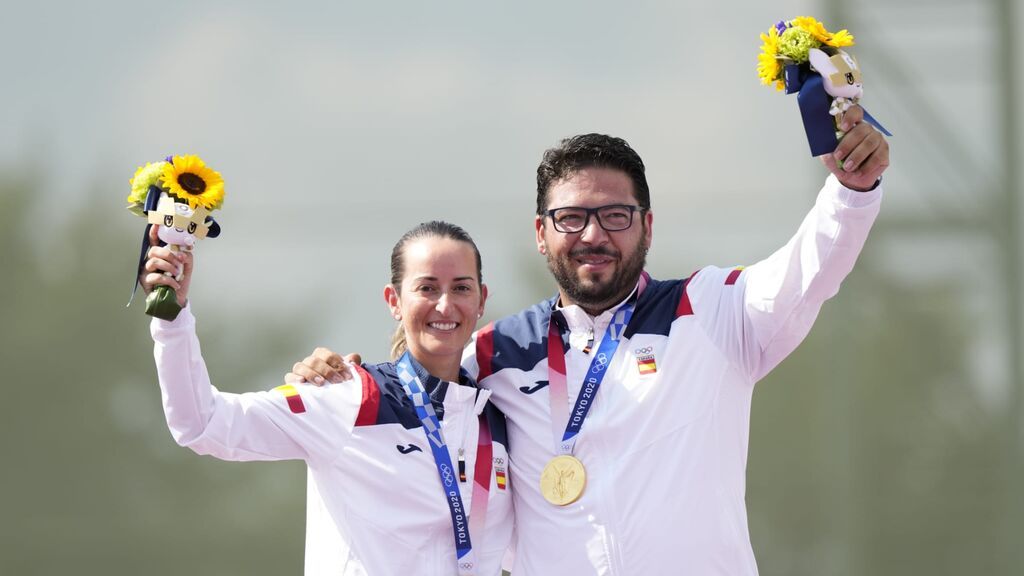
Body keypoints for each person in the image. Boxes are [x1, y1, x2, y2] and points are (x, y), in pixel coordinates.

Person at [289, 105, 889, 574]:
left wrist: (851, 192)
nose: (593, 235)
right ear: (542, 234)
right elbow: (417, 388)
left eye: (616, 216)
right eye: (571, 218)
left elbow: (813, 267)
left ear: (648, 226)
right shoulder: (495, 352)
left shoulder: (711, 310)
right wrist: (333, 375)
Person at [141, 220, 513, 576]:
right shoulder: (350, 396)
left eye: (461, 288)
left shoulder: (499, 417)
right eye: (427, 288)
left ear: (481, 299)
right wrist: (172, 322)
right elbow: (203, 423)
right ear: (394, 301)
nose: (445, 306)